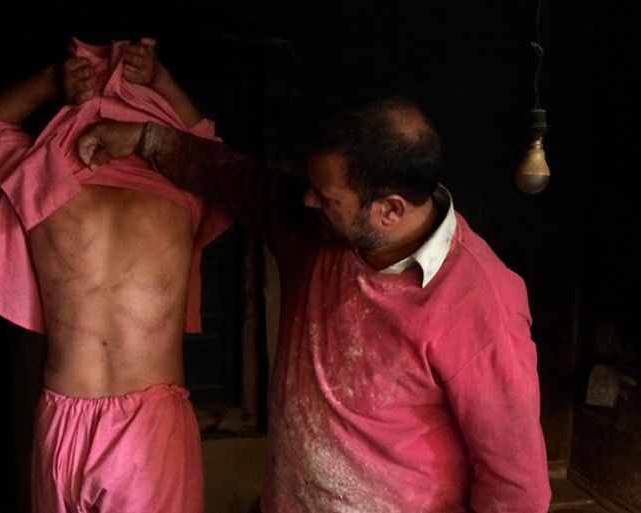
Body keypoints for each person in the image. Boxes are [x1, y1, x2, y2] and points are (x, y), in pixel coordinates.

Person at [75, 96, 553, 513]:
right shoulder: (314, 230)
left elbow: (516, 487)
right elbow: (232, 176)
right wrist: (143, 138)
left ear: (390, 209)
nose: (307, 200)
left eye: (326, 197)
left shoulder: (481, 303)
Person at [0, 37, 231, 513]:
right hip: (149, 431)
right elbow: (213, 155)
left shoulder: (42, 181)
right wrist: (160, 81)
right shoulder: (183, 194)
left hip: (65, 421)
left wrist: (54, 80)